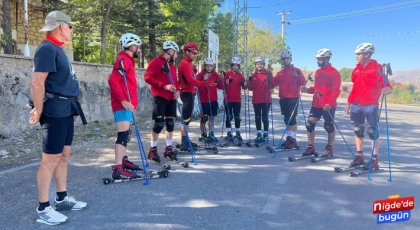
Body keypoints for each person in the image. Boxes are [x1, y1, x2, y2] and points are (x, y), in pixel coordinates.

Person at [30, 10, 86, 225]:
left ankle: (61, 198)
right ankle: (43, 207)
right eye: (70, 26)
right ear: (62, 26)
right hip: (54, 109)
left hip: (66, 108)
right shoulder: (46, 48)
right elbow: (37, 82)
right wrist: (38, 108)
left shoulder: (58, 49)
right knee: (50, 159)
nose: (71, 30)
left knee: (64, 154)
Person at [345, 43, 392, 168]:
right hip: (356, 104)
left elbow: (385, 82)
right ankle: (359, 155)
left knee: (372, 131)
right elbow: (355, 87)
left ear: (367, 54)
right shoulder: (356, 69)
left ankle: (374, 158)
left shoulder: (378, 68)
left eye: (358, 54)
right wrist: (349, 102)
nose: (356, 56)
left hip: (370, 104)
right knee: (358, 130)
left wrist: (387, 88)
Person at [108, 33, 142, 179]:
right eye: (138, 47)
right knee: (122, 135)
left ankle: (123, 160)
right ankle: (118, 168)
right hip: (122, 105)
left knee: (126, 134)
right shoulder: (123, 60)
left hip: (127, 105)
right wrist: (123, 100)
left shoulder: (127, 60)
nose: (139, 50)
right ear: (132, 46)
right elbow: (112, 81)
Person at [144, 41, 181, 162]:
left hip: (171, 98)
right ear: (170, 51)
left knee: (170, 124)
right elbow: (147, 77)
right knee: (159, 124)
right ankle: (152, 150)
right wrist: (164, 86)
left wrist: (178, 91)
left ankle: (168, 148)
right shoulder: (155, 62)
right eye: (176, 53)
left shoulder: (172, 66)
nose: (176, 56)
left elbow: (175, 83)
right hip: (160, 97)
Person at [300, 49, 341, 157]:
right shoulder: (318, 72)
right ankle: (310, 147)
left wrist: (330, 103)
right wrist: (307, 90)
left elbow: (336, 90)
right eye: (317, 59)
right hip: (316, 103)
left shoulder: (334, 72)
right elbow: (316, 88)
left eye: (319, 59)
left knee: (328, 126)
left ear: (327, 59)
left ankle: (329, 147)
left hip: (328, 105)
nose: (317, 61)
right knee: (309, 124)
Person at [177, 42, 215, 151]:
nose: (195, 54)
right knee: (186, 119)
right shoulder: (184, 64)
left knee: (187, 119)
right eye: (193, 52)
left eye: (196, 53)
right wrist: (205, 83)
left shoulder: (188, 64)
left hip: (190, 92)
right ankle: (184, 143)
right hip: (187, 93)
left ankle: (186, 140)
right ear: (187, 52)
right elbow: (191, 81)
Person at [272, 50, 306, 149]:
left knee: (292, 119)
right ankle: (289, 138)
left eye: (287, 58)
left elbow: (303, 82)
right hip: (283, 99)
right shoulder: (280, 73)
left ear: (290, 59)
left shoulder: (297, 71)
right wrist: (269, 74)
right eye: (284, 59)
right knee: (286, 119)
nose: (286, 60)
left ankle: (293, 140)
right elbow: (273, 84)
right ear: (282, 60)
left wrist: (298, 78)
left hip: (293, 99)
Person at [221, 57, 247, 142]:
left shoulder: (240, 75)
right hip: (228, 99)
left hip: (237, 99)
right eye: (234, 65)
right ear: (231, 65)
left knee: (237, 116)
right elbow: (222, 86)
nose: (235, 67)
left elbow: (245, 86)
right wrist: (225, 82)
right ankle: (229, 132)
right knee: (229, 116)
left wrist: (245, 83)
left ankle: (238, 132)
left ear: (238, 66)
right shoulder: (227, 74)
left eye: (237, 65)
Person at [196, 57, 222, 142]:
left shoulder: (215, 75)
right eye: (207, 66)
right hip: (203, 100)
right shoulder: (200, 75)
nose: (209, 68)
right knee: (203, 119)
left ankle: (211, 133)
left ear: (213, 66)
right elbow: (196, 84)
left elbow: (220, 86)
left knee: (211, 118)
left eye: (211, 66)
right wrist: (203, 80)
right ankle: (203, 134)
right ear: (205, 66)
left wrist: (221, 80)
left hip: (213, 99)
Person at [247, 57, 273, 144]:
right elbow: (250, 88)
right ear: (255, 65)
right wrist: (248, 81)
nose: (259, 65)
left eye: (261, 64)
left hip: (266, 100)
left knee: (265, 118)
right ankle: (259, 133)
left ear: (264, 65)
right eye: (257, 64)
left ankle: (265, 134)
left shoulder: (268, 73)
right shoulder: (253, 75)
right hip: (256, 100)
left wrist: (269, 75)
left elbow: (271, 84)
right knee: (257, 117)